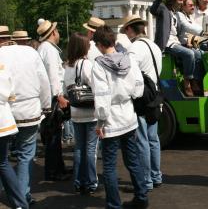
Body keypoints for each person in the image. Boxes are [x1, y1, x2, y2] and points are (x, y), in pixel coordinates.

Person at [92, 26, 148, 209]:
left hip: (111, 120)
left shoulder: (99, 64)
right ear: (114, 41)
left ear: (99, 44)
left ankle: (114, 205)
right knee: (132, 160)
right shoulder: (129, 59)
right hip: (128, 116)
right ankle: (141, 198)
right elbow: (139, 88)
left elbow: (101, 97)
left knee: (109, 165)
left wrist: (100, 121)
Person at [0, 35, 51, 206]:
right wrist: (46, 105)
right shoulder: (31, 52)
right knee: (26, 155)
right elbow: (44, 80)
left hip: (6, 111)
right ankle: (23, 195)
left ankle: (12, 192)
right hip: (29, 109)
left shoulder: (2, 53)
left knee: (3, 158)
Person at [121, 14, 163, 192]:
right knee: (153, 139)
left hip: (141, 97)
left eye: (126, 31)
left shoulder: (134, 49)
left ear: (130, 30)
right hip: (155, 94)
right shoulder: (154, 46)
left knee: (142, 140)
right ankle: (156, 175)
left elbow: (129, 74)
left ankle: (146, 181)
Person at [150, 0, 203, 96]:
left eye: (182, 0)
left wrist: (187, 43)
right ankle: (187, 82)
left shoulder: (176, 14)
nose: (181, 2)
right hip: (167, 43)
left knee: (198, 53)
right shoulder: (163, 9)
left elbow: (179, 32)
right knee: (189, 54)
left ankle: (195, 80)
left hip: (176, 42)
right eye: (180, 0)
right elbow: (152, 10)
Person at [64, 33, 99, 195]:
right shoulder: (86, 64)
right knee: (91, 148)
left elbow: (65, 90)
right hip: (89, 111)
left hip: (76, 111)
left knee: (79, 147)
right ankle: (91, 181)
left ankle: (78, 180)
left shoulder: (68, 66)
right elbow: (95, 85)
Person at [36, 20, 70, 181]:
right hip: (53, 99)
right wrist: (59, 96)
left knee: (54, 134)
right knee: (53, 135)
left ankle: (58, 168)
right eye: (57, 31)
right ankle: (53, 171)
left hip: (49, 98)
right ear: (53, 33)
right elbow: (52, 76)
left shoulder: (45, 49)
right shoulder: (49, 50)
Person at [0, 62, 28, 209]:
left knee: (3, 163)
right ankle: (20, 203)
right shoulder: (3, 69)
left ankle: (20, 203)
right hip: (4, 122)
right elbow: (11, 96)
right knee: (3, 163)